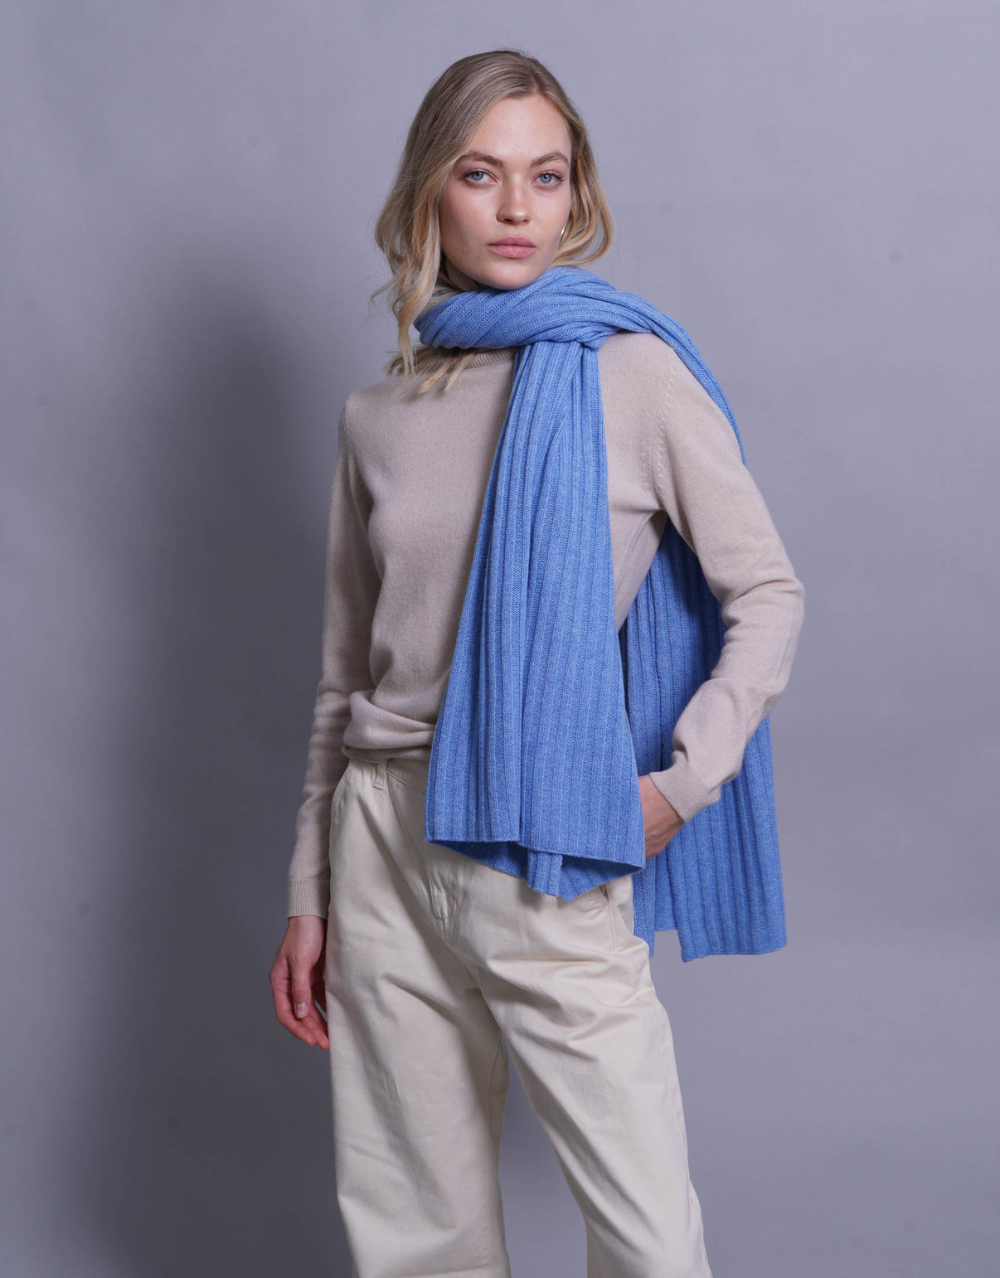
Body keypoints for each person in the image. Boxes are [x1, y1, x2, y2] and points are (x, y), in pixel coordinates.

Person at [270, 48, 805, 1278]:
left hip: (544, 829)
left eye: (545, 175)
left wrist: (683, 781)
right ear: (429, 191)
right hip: (379, 840)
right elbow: (344, 677)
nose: (516, 206)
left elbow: (766, 592)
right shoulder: (377, 416)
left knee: (648, 1242)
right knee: (418, 1233)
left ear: (576, 195)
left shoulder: (629, 375)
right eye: (480, 173)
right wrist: (311, 889)